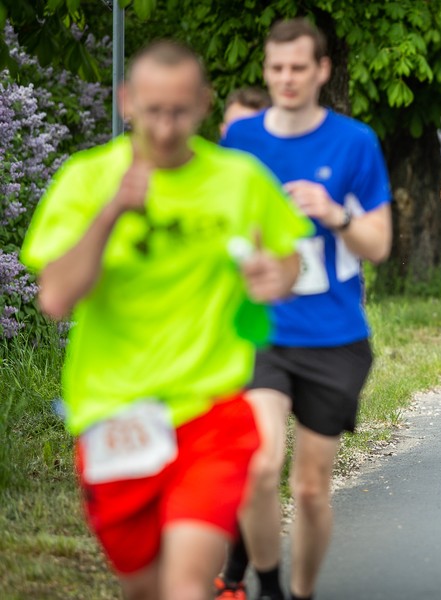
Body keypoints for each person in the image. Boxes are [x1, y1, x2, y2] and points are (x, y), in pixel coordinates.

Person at [20, 41, 309, 600]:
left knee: (185, 586)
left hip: (210, 411)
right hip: (115, 417)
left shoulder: (240, 178)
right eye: (153, 111)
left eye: (179, 111)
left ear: (203, 103)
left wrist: (276, 276)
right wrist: (111, 212)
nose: (166, 127)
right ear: (127, 101)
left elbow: (288, 259)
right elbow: (55, 298)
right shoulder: (87, 179)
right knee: (144, 587)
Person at [218, 18, 393, 600]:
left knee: (311, 489)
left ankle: (302, 591)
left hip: (334, 335)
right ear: (266, 71)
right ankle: (267, 586)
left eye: (298, 67)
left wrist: (334, 213)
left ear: (322, 70)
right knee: (259, 466)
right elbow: (218, 230)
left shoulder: (355, 142)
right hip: (260, 330)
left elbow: (379, 245)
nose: (287, 78)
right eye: (276, 68)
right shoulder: (241, 142)